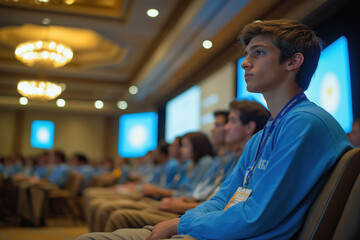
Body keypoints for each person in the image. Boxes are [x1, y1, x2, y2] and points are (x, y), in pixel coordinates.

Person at [77, 19, 352, 240]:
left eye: (258, 53)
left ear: (293, 62)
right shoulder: (262, 135)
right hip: (220, 230)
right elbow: (224, 197)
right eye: (246, 54)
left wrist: (183, 225)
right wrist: (184, 222)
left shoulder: (305, 123)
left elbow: (254, 218)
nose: (245, 62)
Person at [97, 100, 269, 233]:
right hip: (197, 210)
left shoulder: (223, 161)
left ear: (249, 127)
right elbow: (207, 196)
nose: (223, 129)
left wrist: (183, 206)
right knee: (112, 208)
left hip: (204, 216)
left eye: (229, 122)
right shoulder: (225, 160)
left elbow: (230, 208)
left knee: (117, 214)